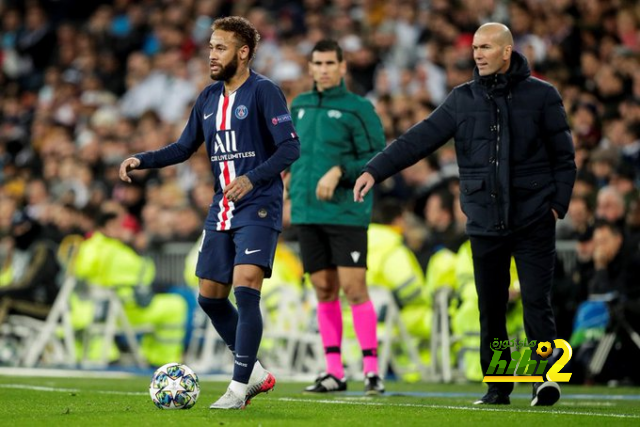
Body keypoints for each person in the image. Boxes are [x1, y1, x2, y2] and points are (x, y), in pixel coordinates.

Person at [354, 23, 576, 406]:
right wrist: (375, 169)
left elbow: (564, 158)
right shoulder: (462, 99)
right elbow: (417, 140)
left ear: (507, 52)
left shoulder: (542, 96)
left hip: (533, 217)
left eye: (486, 47)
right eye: (475, 47)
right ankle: (498, 386)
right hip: (485, 217)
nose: (477, 54)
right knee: (489, 305)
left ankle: (542, 379)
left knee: (536, 302)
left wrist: (557, 205)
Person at [119, 16, 300, 409]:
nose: (212, 55)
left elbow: (289, 148)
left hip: (259, 204)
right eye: (211, 47)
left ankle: (237, 388)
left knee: (246, 289)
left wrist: (252, 179)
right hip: (223, 207)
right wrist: (142, 159)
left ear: (244, 52)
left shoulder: (265, 91)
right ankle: (255, 373)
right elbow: (184, 148)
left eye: (220, 47)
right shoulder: (207, 98)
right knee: (209, 298)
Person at [289, 39, 386, 395]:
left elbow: (378, 156)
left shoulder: (358, 108)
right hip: (306, 211)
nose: (324, 69)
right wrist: (288, 184)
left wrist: (339, 172)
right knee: (323, 289)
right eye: (318, 63)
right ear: (311, 67)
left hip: (346, 212)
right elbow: (290, 152)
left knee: (354, 289)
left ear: (343, 67)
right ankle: (334, 372)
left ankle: (372, 371)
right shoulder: (298, 105)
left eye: (331, 63)